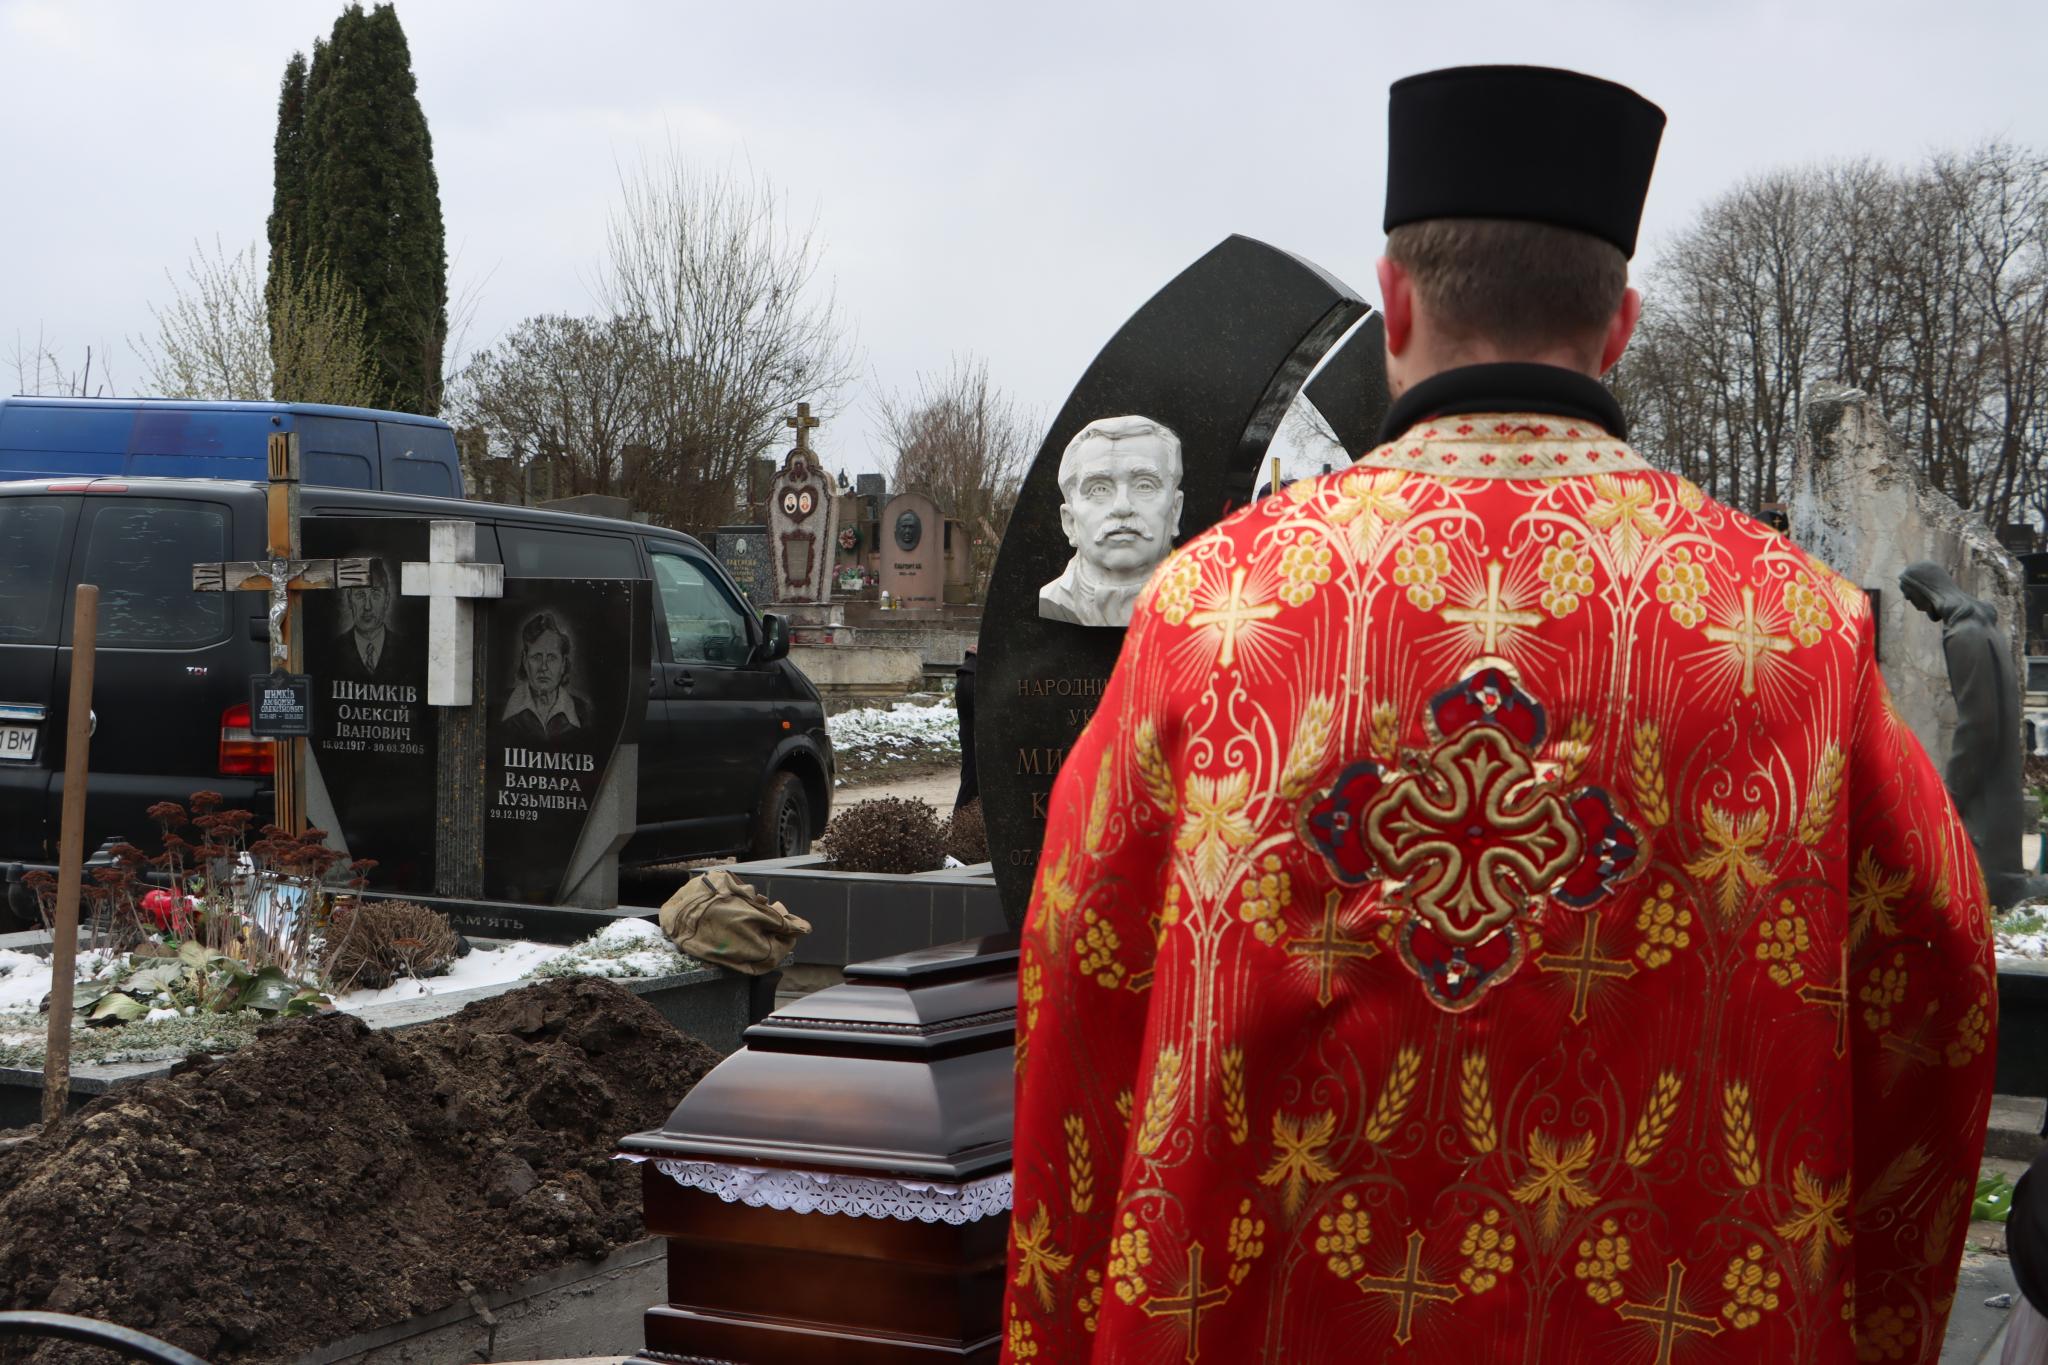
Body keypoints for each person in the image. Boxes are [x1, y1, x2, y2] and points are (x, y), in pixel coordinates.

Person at [1003, 65, 1995, 1363]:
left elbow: (1079, 988)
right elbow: (1941, 985)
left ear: (1398, 297)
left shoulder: (1212, 612)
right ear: (1621, 321)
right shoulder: (1794, 630)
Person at [1900, 561, 2046, 908]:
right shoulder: (1979, 627)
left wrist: (1952, 792)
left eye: (1912, 597)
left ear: (1927, 591)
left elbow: (1978, 722)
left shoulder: (1963, 634)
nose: (1914, 607)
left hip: (1983, 769)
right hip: (1997, 766)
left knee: (1979, 872)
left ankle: (1995, 892)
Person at [1037, 415, 1185, 627]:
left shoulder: (1208, 605)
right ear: (1069, 522)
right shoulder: (1053, 600)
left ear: (1175, 511)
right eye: (1099, 489)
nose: (1122, 507)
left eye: (1144, 485)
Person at [500, 612, 590, 747]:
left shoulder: (583, 712)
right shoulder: (499, 707)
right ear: (525, 660)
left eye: (552, 658)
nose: (544, 667)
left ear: (563, 664)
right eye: (536, 657)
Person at [335, 558, 404, 683]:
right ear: (350, 599)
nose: (367, 606)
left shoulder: (407, 651)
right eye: (360, 595)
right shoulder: (332, 651)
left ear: (387, 600)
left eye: (375, 594)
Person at [954, 646, 978, 810]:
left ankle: (962, 827)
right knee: (974, 778)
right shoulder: (972, 673)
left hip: (971, 731)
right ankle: (962, 828)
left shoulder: (968, 670)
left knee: (972, 777)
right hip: (976, 732)